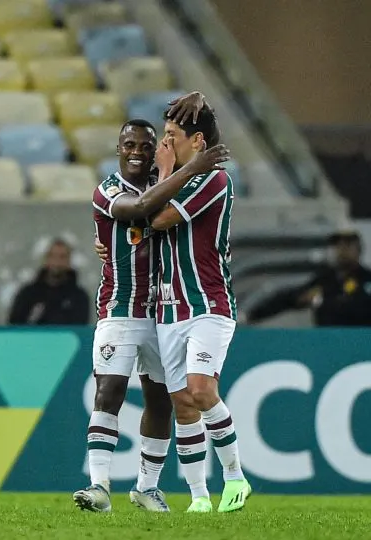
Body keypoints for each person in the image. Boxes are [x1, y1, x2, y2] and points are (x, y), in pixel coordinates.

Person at [74, 99, 232, 514]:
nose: (139, 152)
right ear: (118, 149)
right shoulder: (108, 190)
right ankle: (99, 486)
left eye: (148, 146)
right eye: (131, 145)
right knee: (108, 390)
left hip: (163, 313)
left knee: (162, 400)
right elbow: (141, 212)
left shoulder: (165, 188)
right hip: (120, 309)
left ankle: (147, 487)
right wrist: (193, 166)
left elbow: (165, 214)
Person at [147, 103, 251, 513]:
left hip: (209, 303)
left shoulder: (214, 180)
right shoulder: (173, 180)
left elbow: (157, 219)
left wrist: (165, 172)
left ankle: (236, 478)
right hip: (169, 310)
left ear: (199, 142)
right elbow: (138, 219)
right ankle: (199, 499)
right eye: (164, 133)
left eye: (173, 133)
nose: (165, 141)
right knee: (183, 405)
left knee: (201, 389)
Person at [246, 229, 371, 326]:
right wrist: (254, 315)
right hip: (327, 340)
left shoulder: (366, 279)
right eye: (338, 246)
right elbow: (291, 297)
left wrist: (323, 301)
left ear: (358, 249)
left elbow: (359, 307)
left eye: (348, 246)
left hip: (360, 339)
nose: (342, 251)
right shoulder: (326, 279)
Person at [7, 236, 90, 325]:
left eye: (62, 257)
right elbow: (14, 325)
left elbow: (79, 328)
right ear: (45, 259)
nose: (56, 261)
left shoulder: (79, 297)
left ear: (69, 261)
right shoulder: (28, 294)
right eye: (52, 256)